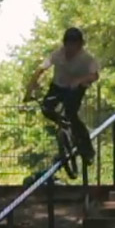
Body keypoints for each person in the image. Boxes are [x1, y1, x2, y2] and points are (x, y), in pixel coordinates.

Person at [24, 27, 100, 165]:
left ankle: (88, 150)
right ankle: (64, 134)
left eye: (75, 47)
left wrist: (80, 80)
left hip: (76, 88)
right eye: (68, 46)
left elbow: (94, 75)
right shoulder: (57, 54)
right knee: (46, 107)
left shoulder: (86, 58)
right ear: (64, 44)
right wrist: (30, 89)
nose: (71, 50)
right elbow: (40, 69)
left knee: (71, 113)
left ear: (80, 45)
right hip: (58, 86)